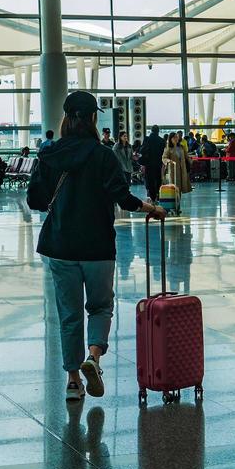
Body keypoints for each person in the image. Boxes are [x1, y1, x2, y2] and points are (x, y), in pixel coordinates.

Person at [26, 92, 165, 402]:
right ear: (92, 119)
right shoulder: (104, 155)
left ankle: (73, 381)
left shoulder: (49, 155)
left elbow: (35, 200)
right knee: (100, 307)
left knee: (69, 314)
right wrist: (151, 208)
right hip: (99, 246)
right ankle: (93, 358)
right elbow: (123, 198)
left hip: (61, 246)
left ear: (65, 118)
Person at [140, 125, 166, 201]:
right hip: (158, 163)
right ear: (158, 131)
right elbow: (163, 153)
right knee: (158, 179)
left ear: (151, 130)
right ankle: (157, 193)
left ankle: (152, 196)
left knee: (149, 180)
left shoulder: (147, 139)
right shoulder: (161, 140)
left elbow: (142, 151)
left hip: (148, 163)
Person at [165, 131, 192, 202]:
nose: (176, 138)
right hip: (173, 170)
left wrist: (190, 161)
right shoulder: (168, 148)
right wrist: (168, 161)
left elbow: (186, 156)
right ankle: (175, 203)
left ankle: (178, 203)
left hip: (182, 169)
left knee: (180, 187)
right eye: (174, 137)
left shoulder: (181, 147)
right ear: (170, 139)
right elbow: (164, 158)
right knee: (174, 187)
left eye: (177, 137)